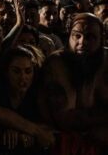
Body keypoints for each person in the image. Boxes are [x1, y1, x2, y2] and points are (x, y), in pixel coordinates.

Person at [39, 13, 108, 147]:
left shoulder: (106, 61)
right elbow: (65, 119)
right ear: (69, 36)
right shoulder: (56, 64)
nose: (83, 42)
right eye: (77, 36)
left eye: (90, 37)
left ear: (101, 39)